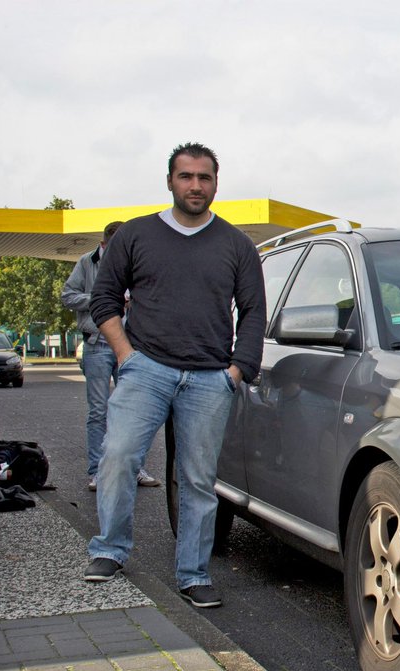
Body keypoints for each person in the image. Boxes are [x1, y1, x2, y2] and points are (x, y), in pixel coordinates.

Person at [84, 142, 266, 609]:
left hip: (209, 378)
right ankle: (110, 549)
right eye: (186, 177)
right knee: (118, 457)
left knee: (198, 480)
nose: (195, 186)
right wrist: (126, 355)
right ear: (170, 181)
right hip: (145, 369)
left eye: (204, 178)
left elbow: (252, 312)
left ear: (216, 185)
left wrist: (237, 370)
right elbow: (103, 299)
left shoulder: (236, 245)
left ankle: (193, 573)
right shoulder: (137, 236)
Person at [60, 221, 161, 491]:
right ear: (105, 245)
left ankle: (134, 468)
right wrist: (101, 298)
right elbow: (67, 296)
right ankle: (97, 471)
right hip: (97, 342)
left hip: (131, 345)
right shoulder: (87, 262)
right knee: (98, 410)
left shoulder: (137, 261)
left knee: (135, 410)